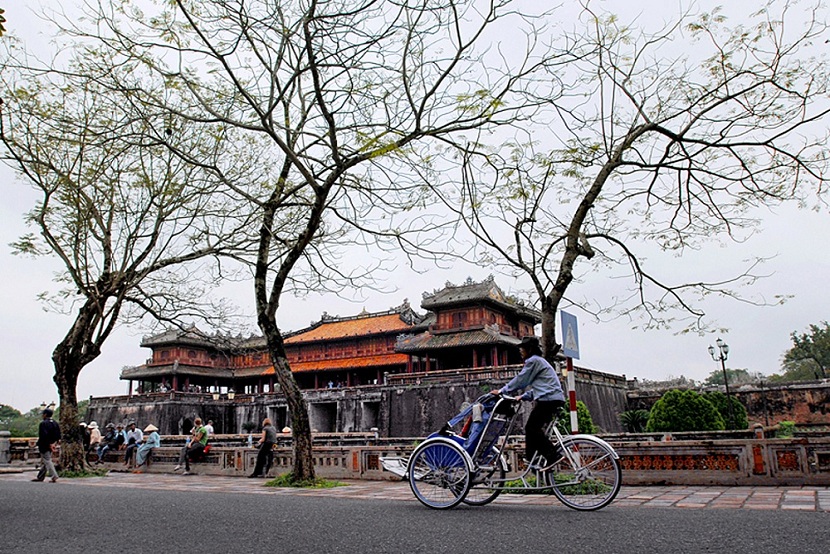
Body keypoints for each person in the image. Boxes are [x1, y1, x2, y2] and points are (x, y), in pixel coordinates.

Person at [491, 336, 566, 471]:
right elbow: (541, 387)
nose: (521, 351)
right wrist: (523, 396)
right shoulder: (540, 362)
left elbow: (522, 379)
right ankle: (533, 460)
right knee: (532, 429)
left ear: (529, 349)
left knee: (532, 428)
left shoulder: (533, 361)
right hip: (552, 398)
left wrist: (502, 391)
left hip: (548, 400)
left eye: (523, 348)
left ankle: (552, 455)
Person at [32, 408, 61, 483]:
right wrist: (54, 443)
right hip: (53, 443)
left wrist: (48, 443)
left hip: (45, 444)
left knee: (47, 460)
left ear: (45, 414)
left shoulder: (43, 423)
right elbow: (58, 435)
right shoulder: (55, 423)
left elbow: (43, 435)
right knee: (45, 461)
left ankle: (54, 475)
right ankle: (40, 476)